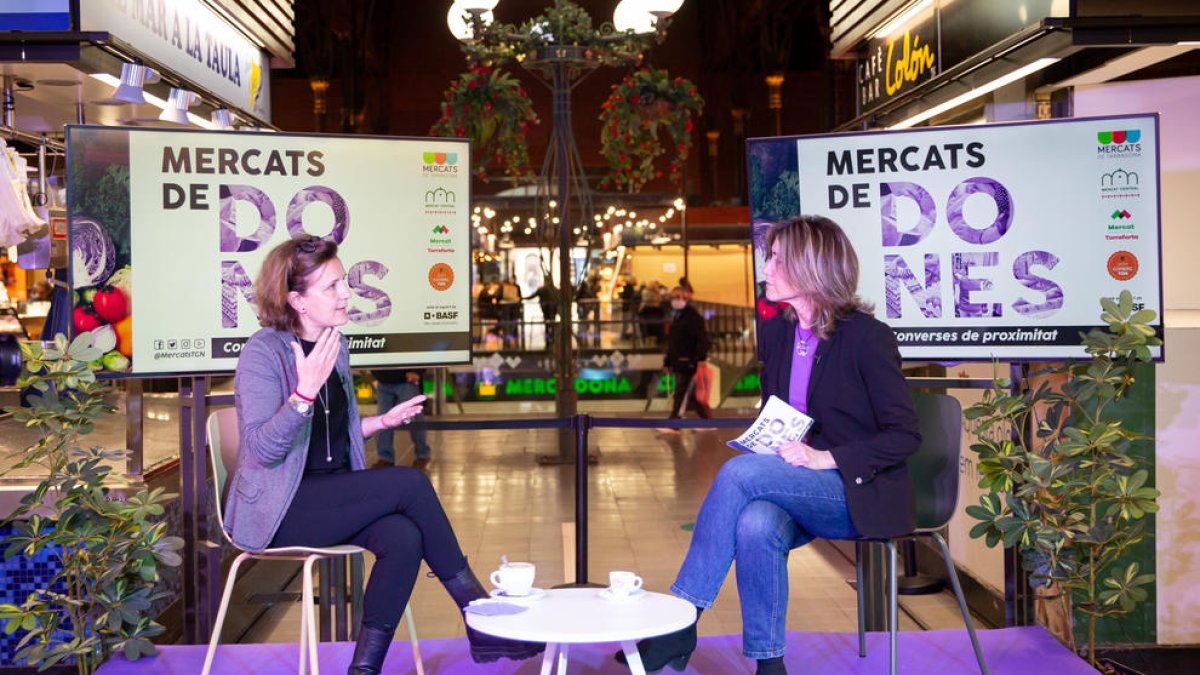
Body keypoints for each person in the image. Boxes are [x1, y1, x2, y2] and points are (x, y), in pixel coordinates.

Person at [618, 216, 921, 675]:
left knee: (738, 474)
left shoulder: (865, 337)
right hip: (801, 482)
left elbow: (905, 434)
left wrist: (826, 457)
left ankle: (679, 626)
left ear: (810, 267)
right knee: (756, 524)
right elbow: (789, 411)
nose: (767, 269)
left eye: (777, 259)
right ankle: (769, 663)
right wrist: (773, 436)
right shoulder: (780, 332)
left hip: (855, 490)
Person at [226, 237, 542, 674]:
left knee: (402, 537)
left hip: (327, 495)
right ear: (297, 300)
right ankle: (481, 618)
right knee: (409, 482)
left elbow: (326, 438)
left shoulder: (335, 345)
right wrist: (303, 392)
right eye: (332, 287)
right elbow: (262, 451)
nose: (347, 294)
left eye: (344, 283)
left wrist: (380, 423)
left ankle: (364, 668)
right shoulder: (263, 352)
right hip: (280, 508)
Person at [663, 286, 711, 424]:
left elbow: (702, 339)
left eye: (679, 297)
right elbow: (673, 342)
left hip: (688, 361)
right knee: (690, 395)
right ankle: (708, 422)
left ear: (687, 298)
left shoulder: (692, 317)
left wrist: (700, 358)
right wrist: (668, 362)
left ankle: (674, 423)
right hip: (679, 361)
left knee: (681, 393)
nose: (676, 300)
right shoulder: (677, 316)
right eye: (673, 297)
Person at [370, 367, 432, 469]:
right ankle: (385, 458)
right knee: (382, 421)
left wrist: (418, 372)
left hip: (407, 380)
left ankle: (422, 455)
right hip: (383, 379)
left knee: (414, 418)